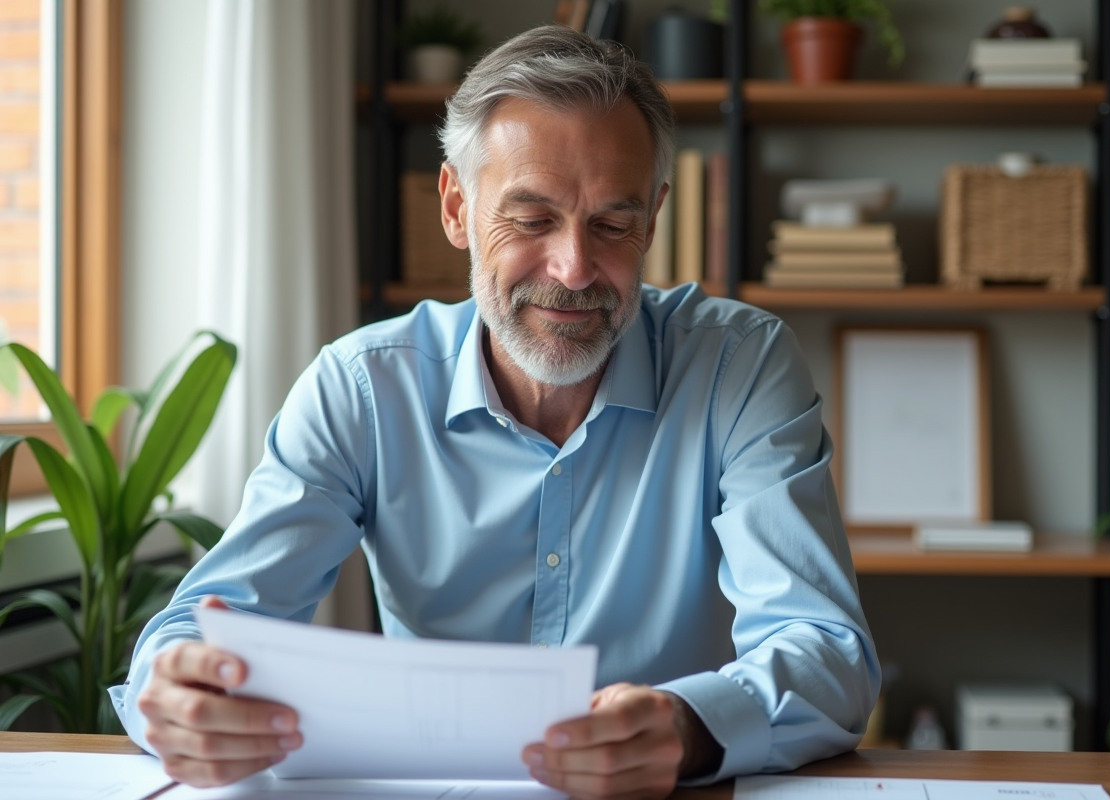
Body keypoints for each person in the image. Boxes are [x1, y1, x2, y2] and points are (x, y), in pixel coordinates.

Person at [112, 25, 880, 797]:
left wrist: (687, 726)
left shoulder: (739, 366)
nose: (574, 267)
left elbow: (826, 648)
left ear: (654, 216)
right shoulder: (360, 389)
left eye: (612, 224)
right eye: (533, 219)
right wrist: (178, 701)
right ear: (456, 206)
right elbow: (200, 630)